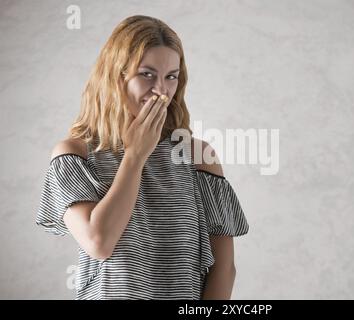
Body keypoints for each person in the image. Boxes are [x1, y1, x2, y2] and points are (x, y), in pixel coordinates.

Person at [35, 15, 249, 300]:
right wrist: (136, 155)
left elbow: (224, 269)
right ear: (115, 76)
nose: (161, 90)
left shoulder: (198, 156)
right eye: (147, 74)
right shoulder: (75, 155)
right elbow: (99, 242)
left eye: (171, 76)